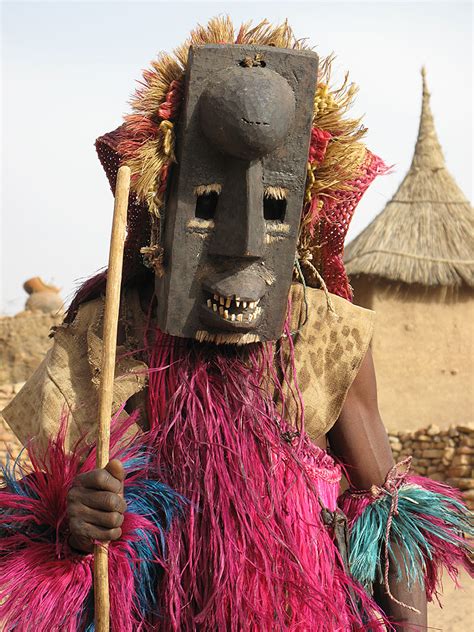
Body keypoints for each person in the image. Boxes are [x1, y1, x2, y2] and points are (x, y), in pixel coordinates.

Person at [1, 18, 471, 632]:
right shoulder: (106, 336)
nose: (243, 245)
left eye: (274, 210)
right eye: (207, 207)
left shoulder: (326, 334)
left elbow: (386, 519)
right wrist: (69, 516)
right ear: (160, 212)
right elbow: (23, 524)